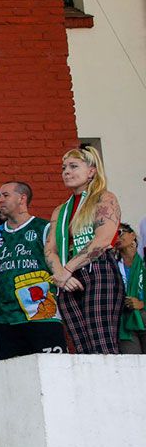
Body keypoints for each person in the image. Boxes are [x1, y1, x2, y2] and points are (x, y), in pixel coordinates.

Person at [45, 146, 125, 353]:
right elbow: (49, 249)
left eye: (73, 166)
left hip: (97, 270)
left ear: (91, 171)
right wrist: (61, 273)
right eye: (64, 168)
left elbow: (102, 239)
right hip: (67, 277)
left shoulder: (104, 198)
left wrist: (67, 269)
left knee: (101, 341)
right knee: (81, 347)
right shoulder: (60, 210)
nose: (66, 172)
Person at [0, 182, 65, 358]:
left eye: (5, 195)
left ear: (22, 198)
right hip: (6, 318)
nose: (0, 201)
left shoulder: (44, 228)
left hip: (43, 314)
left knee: (53, 370)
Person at [116, 224, 146, 353]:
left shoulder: (144, 262)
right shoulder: (112, 265)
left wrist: (142, 303)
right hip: (124, 322)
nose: (117, 237)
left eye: (120, 232)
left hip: (144, 315)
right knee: (132, 365)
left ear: (132, 235)